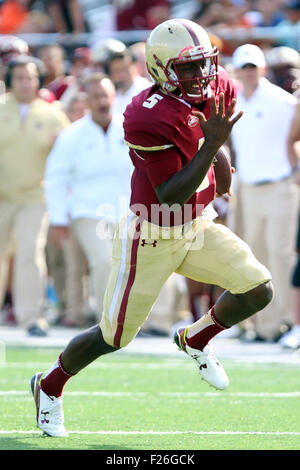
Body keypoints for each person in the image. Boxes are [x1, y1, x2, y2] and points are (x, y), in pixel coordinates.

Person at [30, 18, 273, 437]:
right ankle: (49, 386)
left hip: (198, 223)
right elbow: (169, 194)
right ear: (161, 68)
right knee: (113, 336)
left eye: (204, 64)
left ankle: (195, 339)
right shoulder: (145, 116)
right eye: (189, 68)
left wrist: (221, 162)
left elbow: (206, 134)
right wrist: (215, 147)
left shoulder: (218, 87)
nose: (201, 75)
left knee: (257, 290)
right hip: (152, 233)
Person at [45, 73, 133, 324]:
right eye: (96, 96)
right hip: (86, 212)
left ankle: (129, 319)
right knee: (103, 261)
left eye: (106, 95)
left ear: (113, 98)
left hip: (125, 211)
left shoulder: (129, 130)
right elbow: (56, 178)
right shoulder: (72, 135)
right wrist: (59, 218)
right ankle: (108, 322)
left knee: (131, 266)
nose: (102, 101)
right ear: (87, 101)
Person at [230, 43, 299, 342]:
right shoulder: (232, 103)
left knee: (279, 253)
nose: (249, 73)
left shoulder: (283, 102)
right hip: (247, 187)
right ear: (237, 72)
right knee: (252, 255)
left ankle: (284, 321)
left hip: (280, 185)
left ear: (262, 69)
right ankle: (259, 325)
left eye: (252, 67)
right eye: (243, 68)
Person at [0, 55, 69, 337]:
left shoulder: (53, 114)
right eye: (19, 77)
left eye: (30, 78)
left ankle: (31, 317)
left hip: (35, 196)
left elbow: (68, 154)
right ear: (9, 80)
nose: (25, 83)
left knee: (31, 252)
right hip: (1, 196)